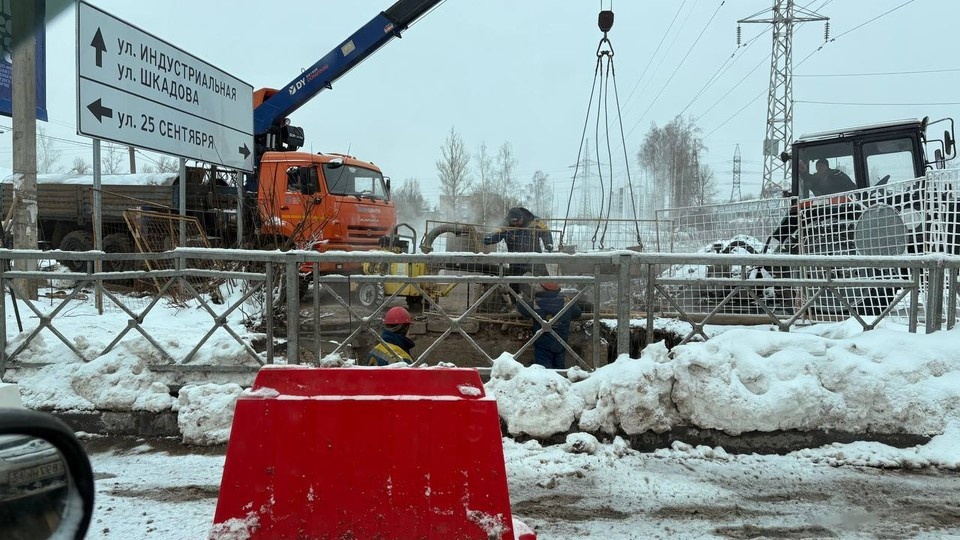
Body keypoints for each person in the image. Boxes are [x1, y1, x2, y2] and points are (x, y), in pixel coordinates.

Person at [516, 282, 582, 370]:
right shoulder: (566, 302)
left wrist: (519, 299)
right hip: (560, 343)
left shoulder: (536, 303)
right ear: (558, 289)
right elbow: (577, 313)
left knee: (543, 371)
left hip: (542, 343)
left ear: (543, 288)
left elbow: (524, 310)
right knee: (559, 371)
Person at [482, 207, 554, 277]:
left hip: (534, 257)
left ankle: (551, 289)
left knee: (545, 280)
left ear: (522, 217)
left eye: (518, 221)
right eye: (513, 222)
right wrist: (489, 238)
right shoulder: (505, 225)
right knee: (515, 283)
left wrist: (548, 244)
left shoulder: (535, 221)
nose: (516, 224)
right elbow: (496, 233)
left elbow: (545, 232)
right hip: (515, 259)